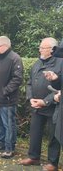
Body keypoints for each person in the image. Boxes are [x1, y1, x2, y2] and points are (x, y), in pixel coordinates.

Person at [18, 38, 61, 171]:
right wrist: (31, 98)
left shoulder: (60, 63)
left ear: (52, 50)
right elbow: (30, 82)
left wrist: (46, 101)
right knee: (35, 131)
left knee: (53, 135)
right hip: (36, 105)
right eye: (40, 47)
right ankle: (33, 157)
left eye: (43, 48)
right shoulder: (38, 63)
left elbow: (60, 87)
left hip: (53, 106)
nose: (40, 50)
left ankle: (52, 163)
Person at [0, 36, 23, 159]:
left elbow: (17, 79)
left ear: (5, 45)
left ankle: (9, 148)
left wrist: (5, 91)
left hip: (7, 100)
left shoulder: (14, 58)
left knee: (8, 124)